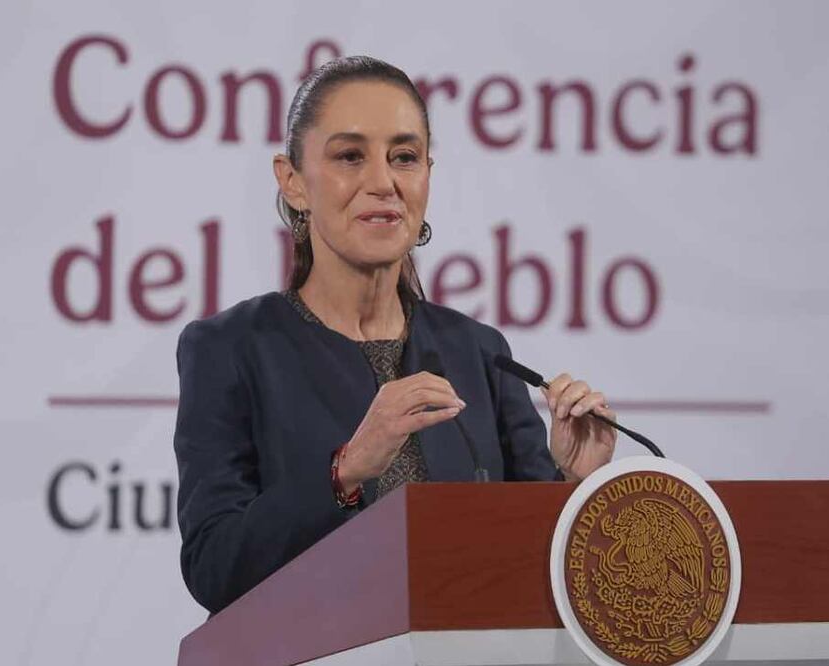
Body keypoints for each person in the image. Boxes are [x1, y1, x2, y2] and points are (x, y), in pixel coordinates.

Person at [173, 56, 617, 614]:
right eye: (349, 156)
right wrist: (346, 470)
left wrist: (572, 483)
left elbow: (533, 568)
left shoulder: (480, 352)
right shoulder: (231, 348)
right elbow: (214, 567)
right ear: (293, 182)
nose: (382, 182)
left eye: (404, 158)